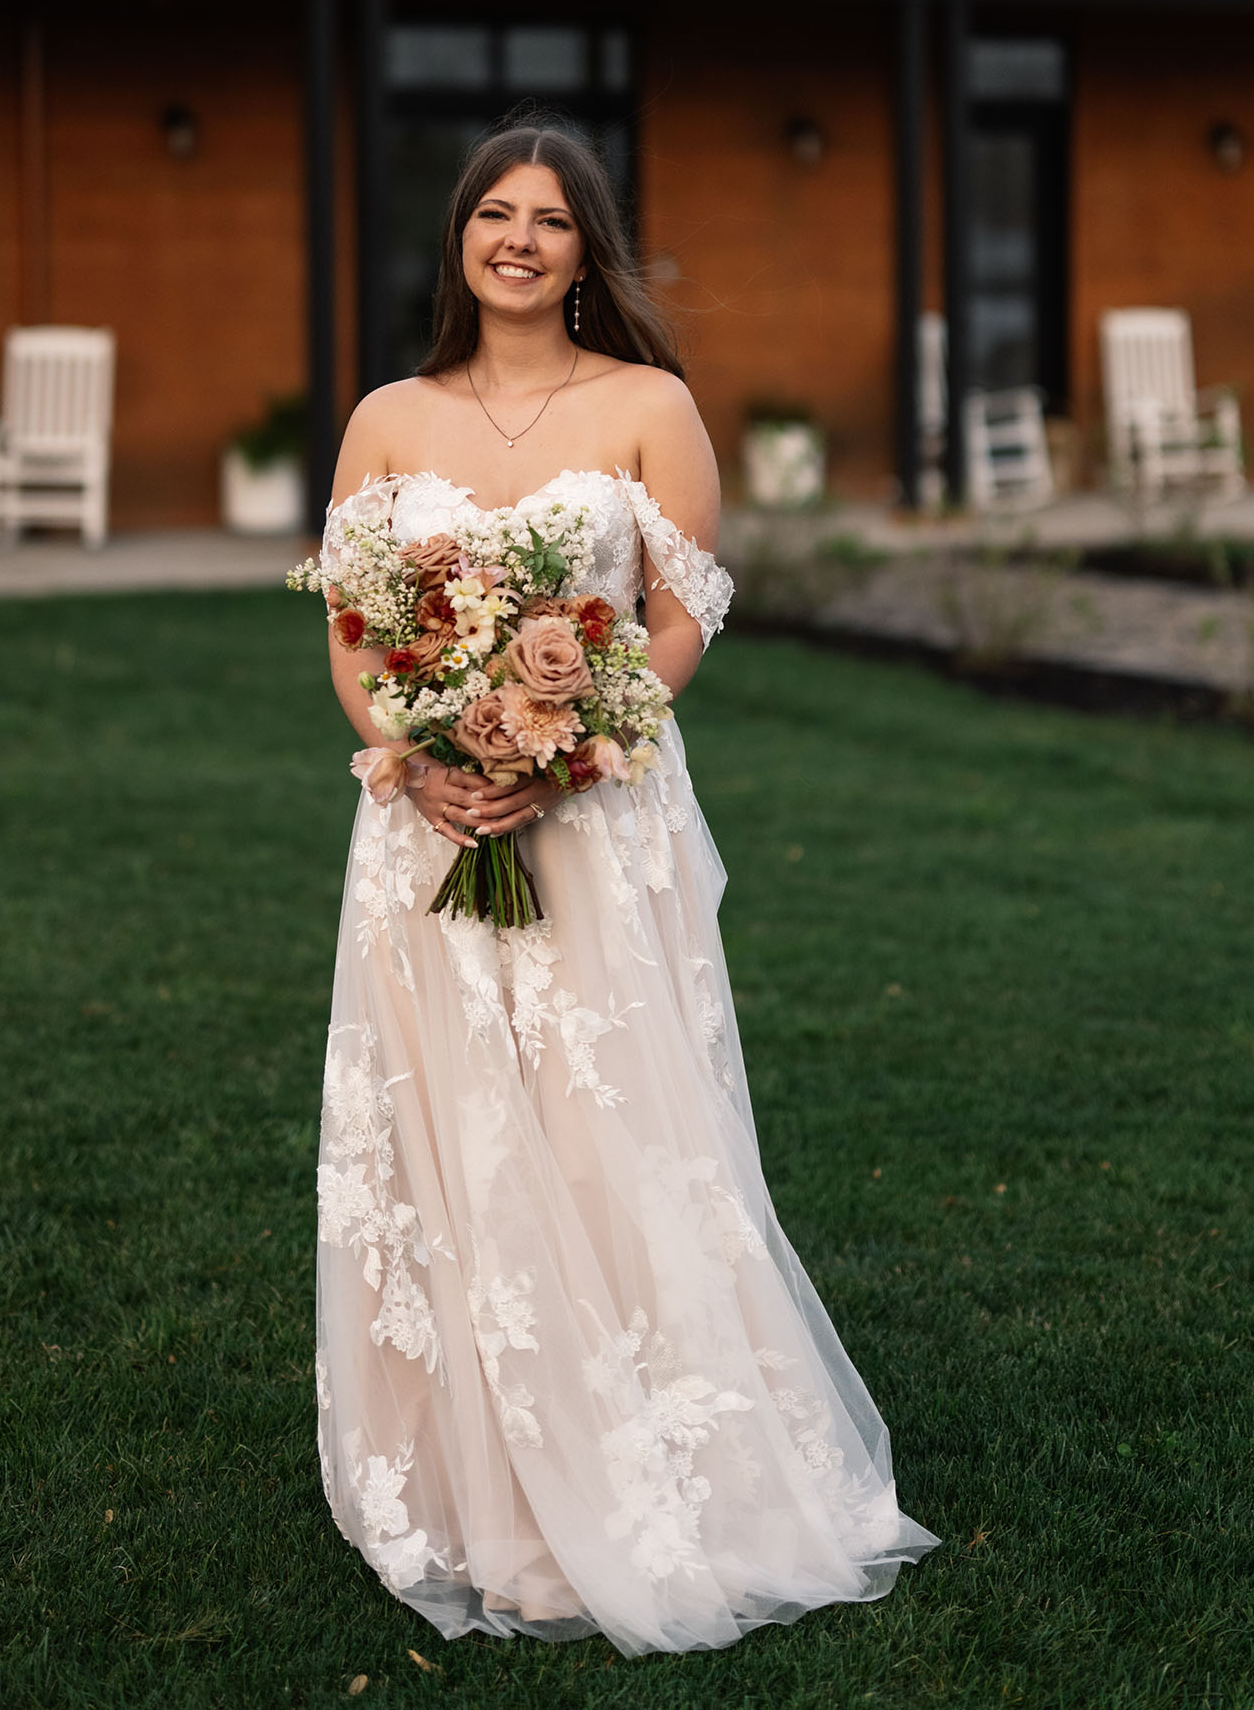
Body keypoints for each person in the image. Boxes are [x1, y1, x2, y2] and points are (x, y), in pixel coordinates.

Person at [313, 120, 937, 1655]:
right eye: (492, 214)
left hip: (592, 823)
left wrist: (566, 746)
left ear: (588, 250)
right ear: (458, 235)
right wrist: (427, 750)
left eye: (550, 220)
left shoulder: (649, 405)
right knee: (454, 1145)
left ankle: (651, 1482)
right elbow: (345, 630)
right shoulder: (389, 416)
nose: (517, 239)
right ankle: (493, 1504)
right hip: (426, 828)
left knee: (602, 1141)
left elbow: (685, 612)